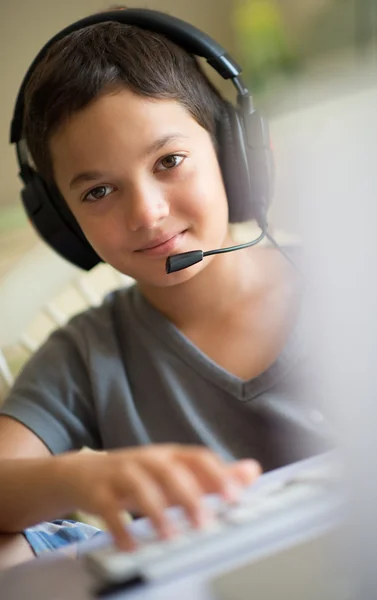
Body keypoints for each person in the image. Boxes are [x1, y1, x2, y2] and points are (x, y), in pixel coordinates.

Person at [0, 12, 330, 566]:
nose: (147, 213)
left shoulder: (350, 287)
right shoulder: (87, 353)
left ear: (235, 156)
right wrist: (79, 477)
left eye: (169, 161)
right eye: (99, 191)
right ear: (62, 221)